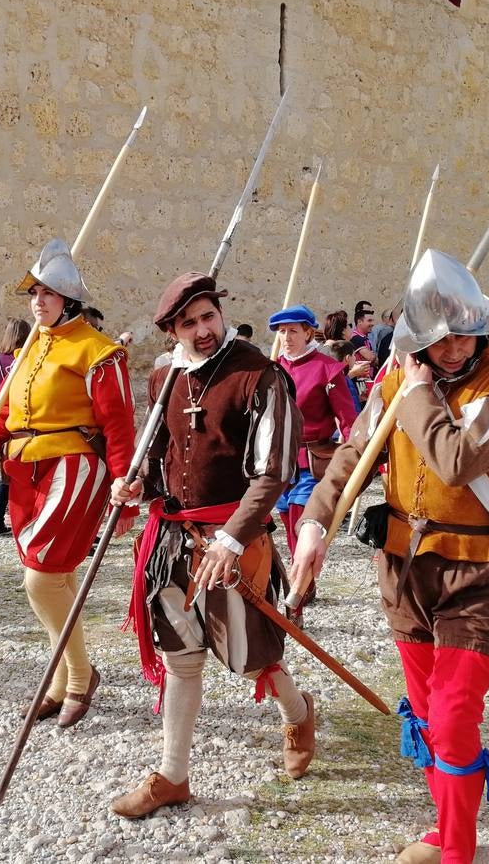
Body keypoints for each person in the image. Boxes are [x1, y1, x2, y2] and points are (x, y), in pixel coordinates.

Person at [292, 250, 489, 864]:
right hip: (404, 570)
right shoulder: (397, 379)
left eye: (466, 335)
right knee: (429, 711)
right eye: (443, 339)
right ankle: (445, 824)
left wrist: (416, 390)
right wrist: (313, 523)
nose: (457, 349)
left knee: (457, 716)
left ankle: (458, 849)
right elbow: (354, 455)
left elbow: (456, 462)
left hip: (478, 572)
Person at [109, 272, 314, 819]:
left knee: (249, 655)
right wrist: (137, 487)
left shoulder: (260, 376)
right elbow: (162, 461)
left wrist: (230, 538)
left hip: (234, 539)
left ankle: (297, 712)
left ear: (221, 313)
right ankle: (173, 774)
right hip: (173, 541)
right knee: (181, 655)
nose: (202, 330)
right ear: (172, 330)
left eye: (208, 317)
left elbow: (272, 475)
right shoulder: (165, 379)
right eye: (188, 322)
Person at [0, 239, 135, 729]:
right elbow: (5, 416)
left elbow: (118, 427)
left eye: (48, 293)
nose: (38, 301)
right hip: (24, 472)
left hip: (74, 469)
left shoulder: (100, 351)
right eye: (34, 293)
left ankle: (78, 676)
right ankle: (60, 679)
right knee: (58, 577)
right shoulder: (28, 349)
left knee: (41, 576)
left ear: (69, 299)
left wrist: (126, 490)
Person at [269, 305, 356, 555]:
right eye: (282, 332)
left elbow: (348, 419)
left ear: (308, 333)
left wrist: (353, 460)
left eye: (293, 331)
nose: (287, 338)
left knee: (302, 520)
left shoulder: (327, 369)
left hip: (312, 460)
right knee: (286, 517)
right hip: (280, 460)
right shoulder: (273, 370)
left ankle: (302, 585)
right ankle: (303, 580)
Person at [0, 318, 31, 537]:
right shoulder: (30, 358)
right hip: (26, 423)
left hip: (4, 421)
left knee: (6, 475)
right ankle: (25, 523)